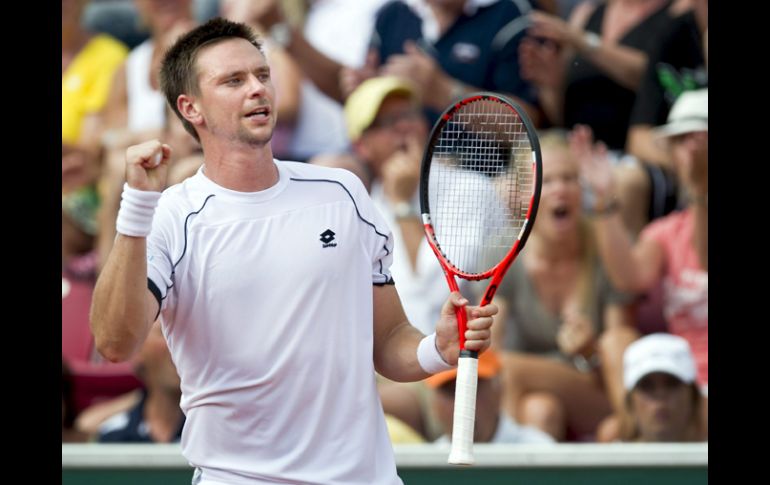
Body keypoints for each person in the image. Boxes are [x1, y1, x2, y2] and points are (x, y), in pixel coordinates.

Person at [90, 18, 496, 485]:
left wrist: (436, 349)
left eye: (262, 75)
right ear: (191, 108)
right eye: (233, 81)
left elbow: (387, 342)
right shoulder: (170, 217)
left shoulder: (343, 193)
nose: (257, 89)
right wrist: (137, 207)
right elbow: (115, 343)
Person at [491, 130, 638, 442]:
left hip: (602, 394)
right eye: (548, 181)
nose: (561, 190)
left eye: (570, 179)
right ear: (523, 194)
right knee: (539, 410)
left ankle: (633, 440)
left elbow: (622, 347)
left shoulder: (605, 249)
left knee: (509, 369)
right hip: (536, 390)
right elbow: (491, 344)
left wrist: (590, 351)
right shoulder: (505, 251)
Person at [574, 88, 707, 395]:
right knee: (616, 341)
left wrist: (701, 190)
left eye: (697, 139)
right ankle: (631, 434)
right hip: (683, 389)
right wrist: (604, 200)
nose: (689, 152)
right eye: (679, 141)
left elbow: (704, 257)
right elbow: (629, 278)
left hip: (691, 399)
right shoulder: (667, 231)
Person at [75, 321, 185, 443]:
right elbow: (84, 424)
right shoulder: (114, 434)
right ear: (137, 351)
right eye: (164, 333)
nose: (180, 345)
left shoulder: (206, 427)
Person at [427, 349, 555, 444]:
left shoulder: (538, 451)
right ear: (433, 403)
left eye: (472, 387)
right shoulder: (427, 464)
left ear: (498, 388)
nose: (463, 402)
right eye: (451, 391)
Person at [618, 333, 706, 442]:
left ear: (693, 396)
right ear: (630, 402)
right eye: (647, 386)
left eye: (672, 383)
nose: (660, 395)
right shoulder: (609, 458)